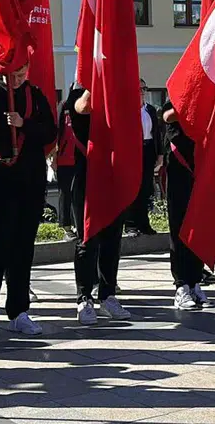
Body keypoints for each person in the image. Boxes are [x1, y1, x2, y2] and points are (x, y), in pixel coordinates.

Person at [0, 64, 56, 340]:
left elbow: (50, 131)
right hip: (0, 181)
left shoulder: (35, 94)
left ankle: (19, 311)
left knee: (23, 248)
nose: (18, 80)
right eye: (13, 75)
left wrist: (24, 124)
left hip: (30, 181)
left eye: (22, 74)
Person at [67, 88, 132, 324]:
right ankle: (84, 298)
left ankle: (108, 294)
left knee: (112, 239)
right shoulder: (77, 95)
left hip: (113, 176)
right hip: (87, 178)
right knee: (88, 239)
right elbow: (83, 107)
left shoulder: (115, 94)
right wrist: (97, 81)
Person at [163, 101, 209, 310]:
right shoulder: (175, 100)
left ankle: (195, 281)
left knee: (199, 230)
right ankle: (181, 286)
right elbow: (167, 117)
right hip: (179, 170)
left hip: (201, 167)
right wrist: (192, 104)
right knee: (180, 229)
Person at [126, 79, 162, 237]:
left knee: (146, 188)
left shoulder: (150, 110)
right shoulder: (128, 110)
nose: (141, 92)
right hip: (133, 152)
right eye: (138, 88)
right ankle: (130, 224)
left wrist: (159, 155)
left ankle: (143, 223)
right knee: (132, 188)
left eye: (144, 89)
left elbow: (157, 134)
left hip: (148, 150)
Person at [55, 97, 79, 236]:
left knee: (79, 194)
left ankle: (78, 225)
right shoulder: (64, 106)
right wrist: (54, 156)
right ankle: (66, 226)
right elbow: (57, 130)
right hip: (64, 159)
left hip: (81, 159)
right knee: (65, 193)